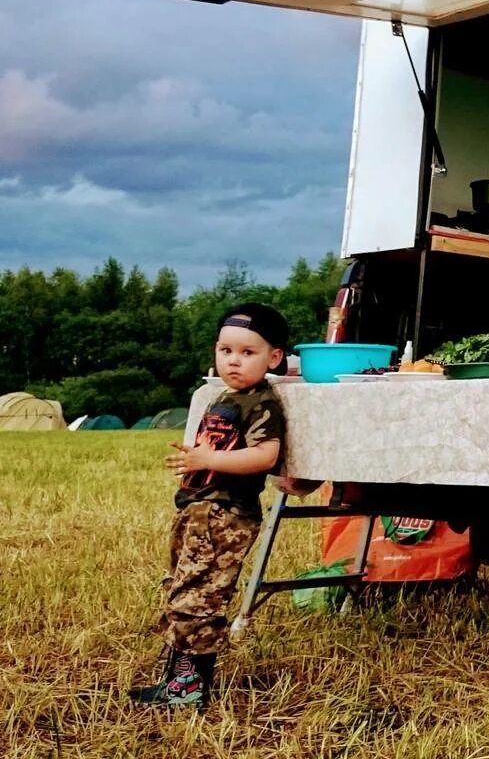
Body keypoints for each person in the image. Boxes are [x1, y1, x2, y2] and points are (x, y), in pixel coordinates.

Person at [128, 301, 289, 710]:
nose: (233, 361)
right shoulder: (222, 397)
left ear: (274, 357)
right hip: (199, 510)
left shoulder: (262, 403)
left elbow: (265, 455)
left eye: (247, 353)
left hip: (225, 515)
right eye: (225, 351)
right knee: (184, 592)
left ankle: (189, 688)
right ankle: (178, 681)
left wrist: (210, 461)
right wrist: (194, 464)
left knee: (200, 597)